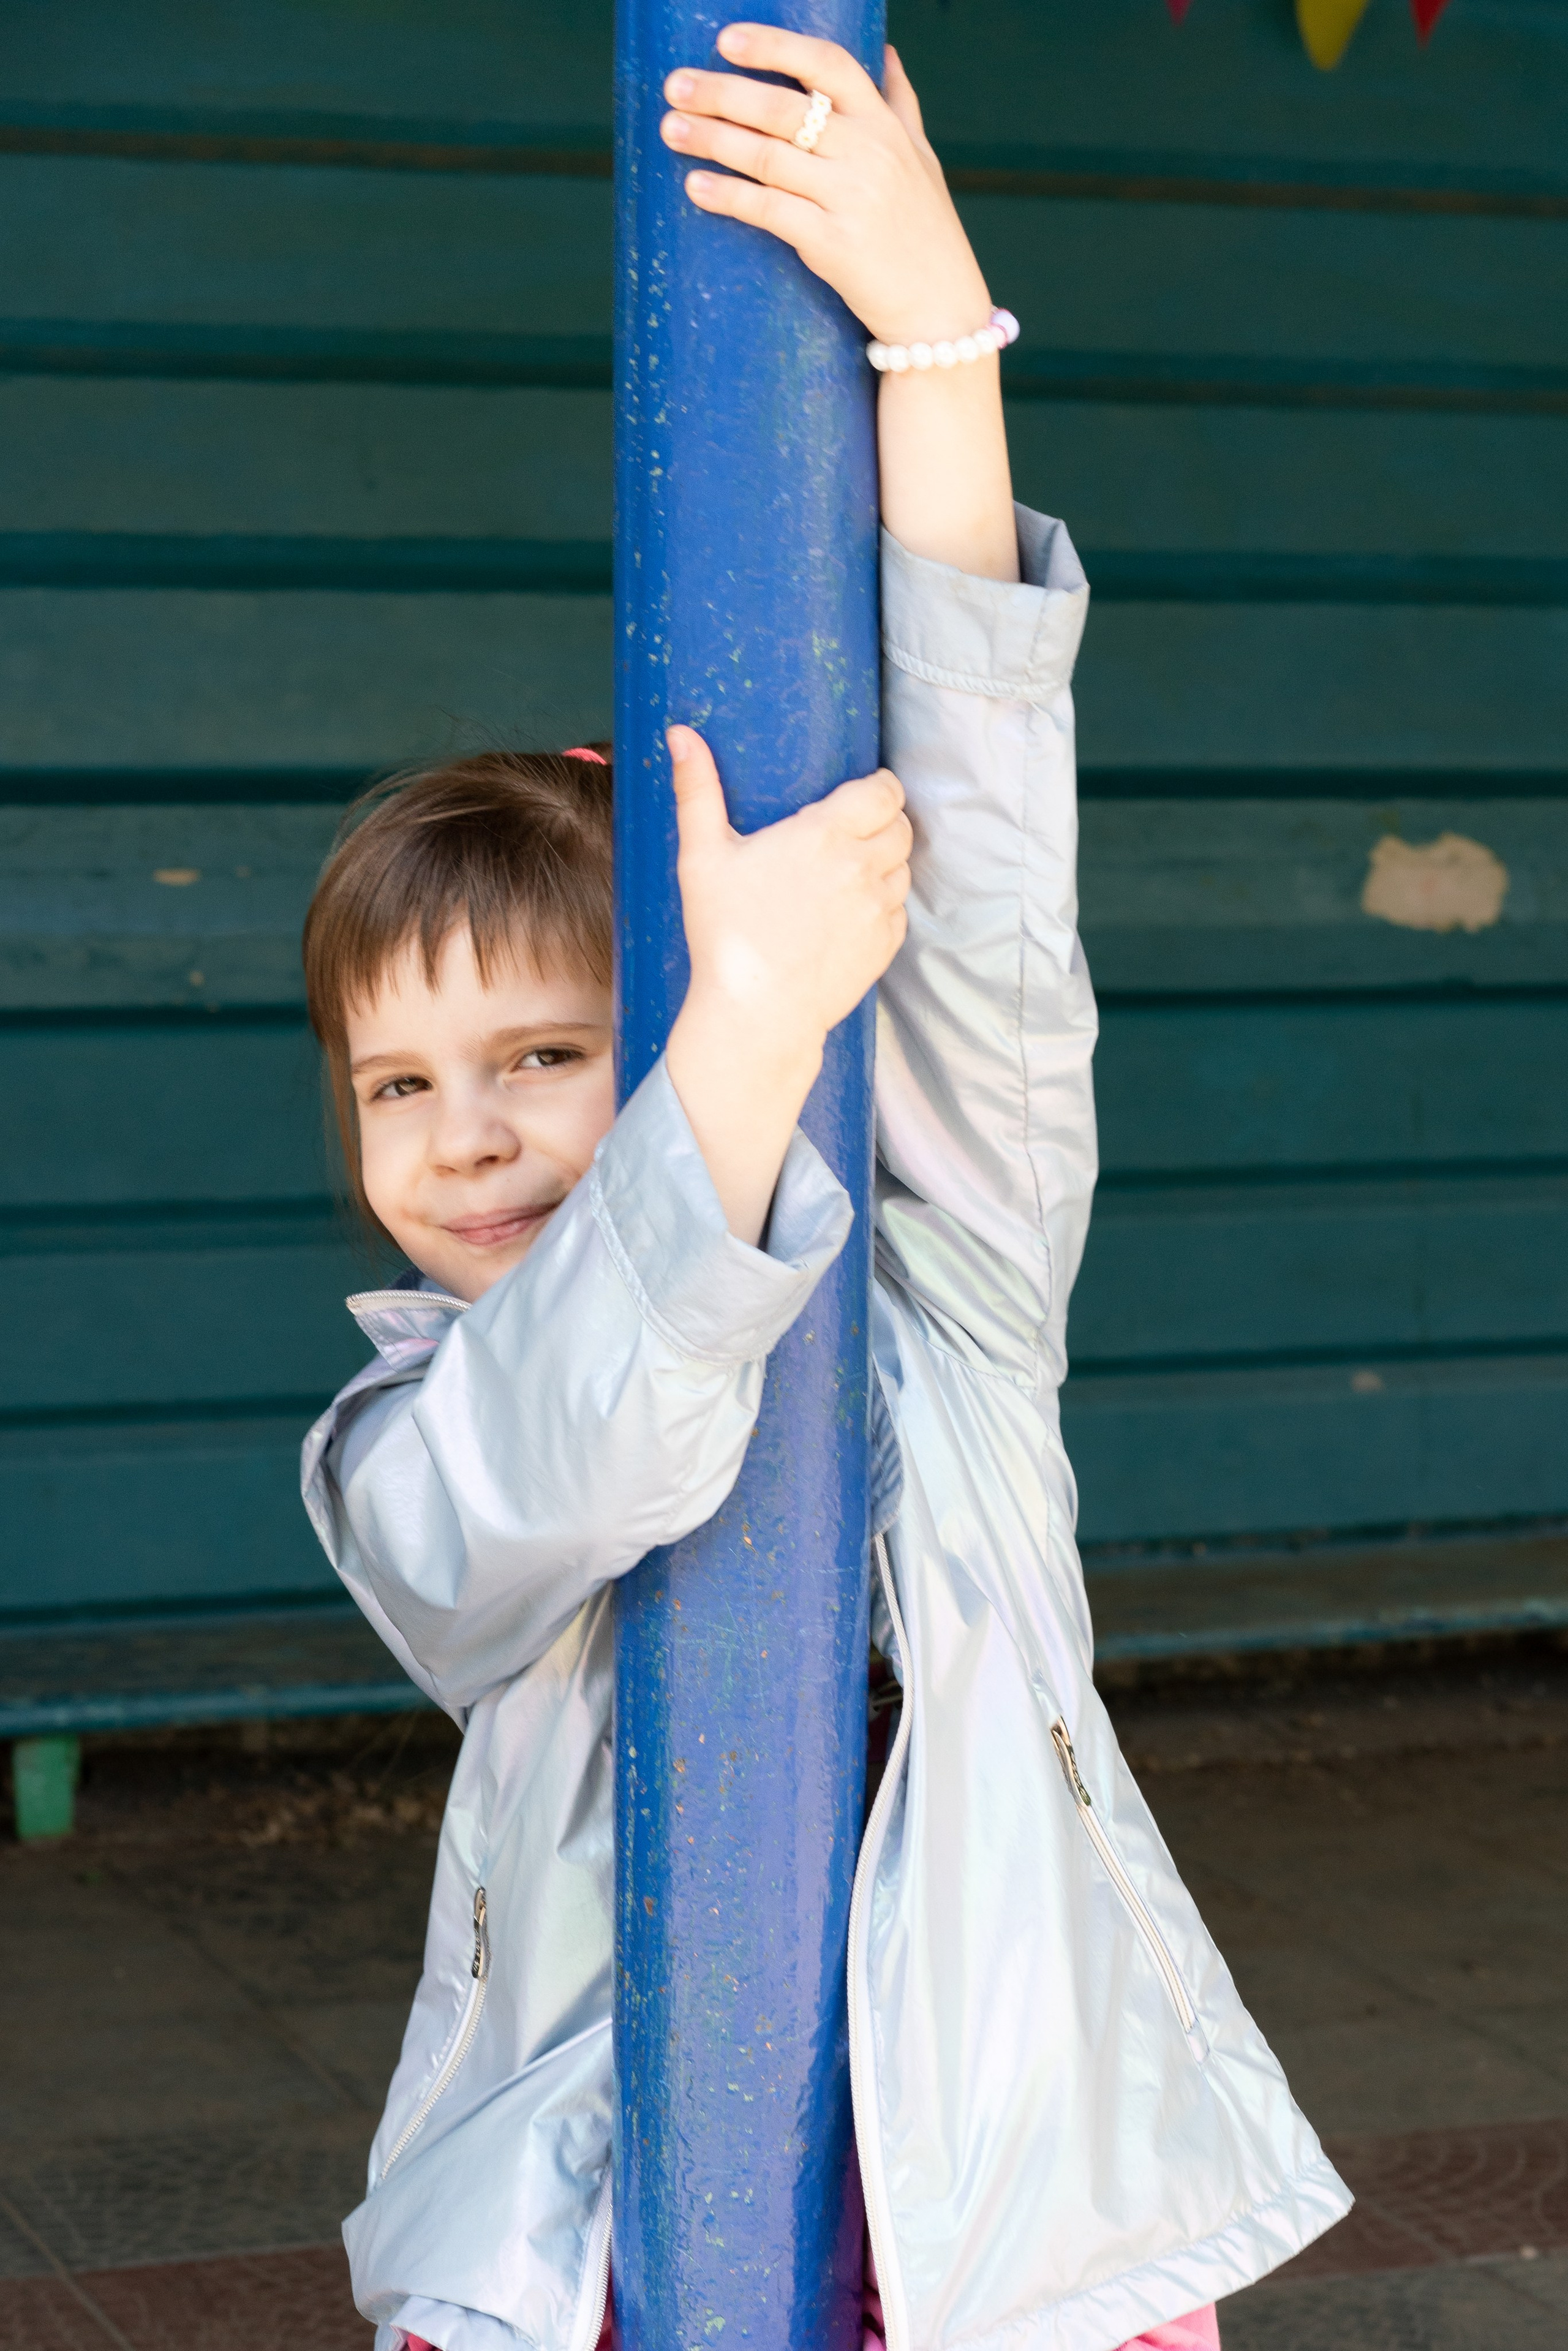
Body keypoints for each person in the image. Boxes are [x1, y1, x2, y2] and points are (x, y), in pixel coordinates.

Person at [300, 26, 1351, 2351]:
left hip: (999, 2246)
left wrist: (935, 333)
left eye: (548, 1056)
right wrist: (739, 1041)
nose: (462, 1136)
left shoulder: (946, 1284)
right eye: (400, 1085)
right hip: (585, 2264)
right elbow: (569, 1451)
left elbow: (975, 864)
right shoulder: (408, 1447)